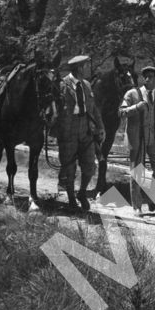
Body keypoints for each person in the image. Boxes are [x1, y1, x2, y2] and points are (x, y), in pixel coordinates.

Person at [119, 66, 155, 216]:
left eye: (151, 77)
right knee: (137, 171)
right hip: (138, 137)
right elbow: (121, 112)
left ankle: (152, 201)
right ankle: (137, 206)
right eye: (145, 76)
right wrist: (136, 107)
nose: (148, 79)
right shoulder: (132, 94)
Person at [56, 55, 105, 211]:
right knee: (69, 166)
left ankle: (82, 193)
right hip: (68, 130)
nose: (86, 69)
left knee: (90, 165)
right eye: (84, 66)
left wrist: (100, 127)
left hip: (86, 129)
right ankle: (71, 199)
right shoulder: (62, 85)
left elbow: (94, 108)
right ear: (78, 68)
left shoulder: (87, 85)